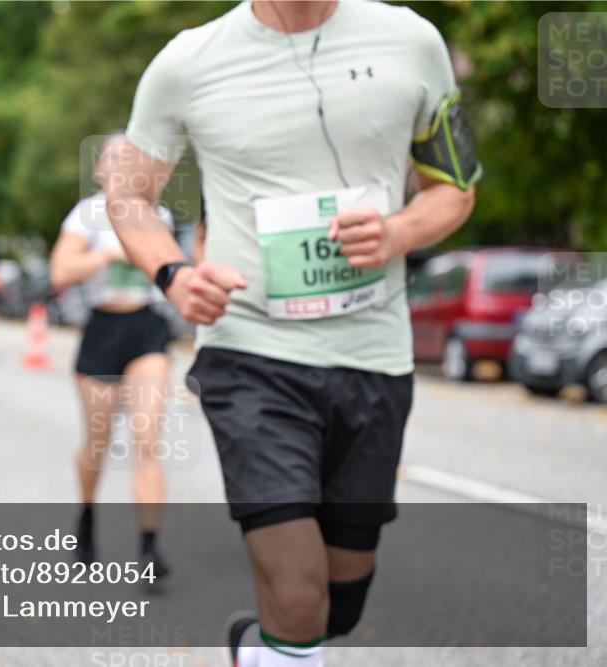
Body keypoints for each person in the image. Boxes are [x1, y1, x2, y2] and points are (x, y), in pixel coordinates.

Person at [107, 1, 480, 665]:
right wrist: (173, 272)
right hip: (251, 354)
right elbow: (129, 194)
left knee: (337, 604)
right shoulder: (189, 61)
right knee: (299, 593)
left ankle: (256, 647)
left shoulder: (411, 39)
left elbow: (454, 186)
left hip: (375, 356)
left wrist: (396, 231)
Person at [49, 133, 178, 581]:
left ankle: (149, 548)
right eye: (115, 158)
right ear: (101, 170)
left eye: (132, 158)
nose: (124, 165)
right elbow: (60, 272)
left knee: (147, 440)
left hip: (147, 330)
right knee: (97, 444)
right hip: (102, 330)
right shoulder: (86, 216)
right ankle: (86, 515)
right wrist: (107, 253)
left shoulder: (158, 214)